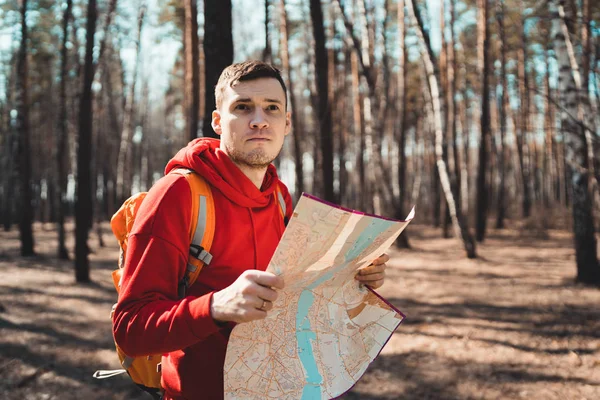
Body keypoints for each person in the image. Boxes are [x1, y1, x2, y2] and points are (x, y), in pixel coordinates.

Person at [113, 60, 390, 400]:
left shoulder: (280, 198)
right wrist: (215, 307)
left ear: (286, 123)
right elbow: (130, 328)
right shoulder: (178, 195)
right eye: (242, 107)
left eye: (272, 108)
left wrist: (352, 277)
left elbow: (296, 295)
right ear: (218, 121)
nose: (259, 120)